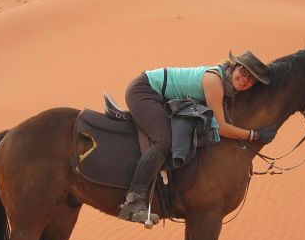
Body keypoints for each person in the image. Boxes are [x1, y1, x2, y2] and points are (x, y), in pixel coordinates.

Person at [118, 50, 278, 224]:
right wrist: (254, 135)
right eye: (244, 72)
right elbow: (221, 127)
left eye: (251, 79)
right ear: (234, 67)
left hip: (158, 96)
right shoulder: (214, 81)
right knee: (163, 140)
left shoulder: (226, 84)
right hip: (144, 91)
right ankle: (133, 202)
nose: (245, 79)